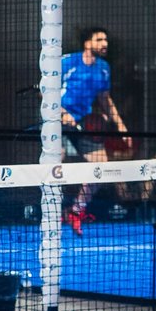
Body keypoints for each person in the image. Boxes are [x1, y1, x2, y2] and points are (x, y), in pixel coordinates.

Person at [60, 26, 132, 236]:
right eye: (99, 39)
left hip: (82, 123)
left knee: (101, 168)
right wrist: (63, 113)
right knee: (54, 164)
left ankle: (75, 211)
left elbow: (105, 100)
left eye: (106, 40)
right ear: (87, 43)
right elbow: (45, 91)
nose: (105, 44)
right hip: (57, 121)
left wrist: (121, 126)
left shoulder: (103, 68)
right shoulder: (67, 62)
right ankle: (50, 212)